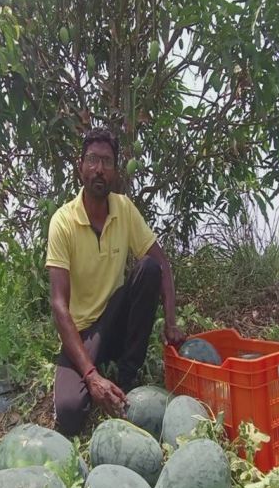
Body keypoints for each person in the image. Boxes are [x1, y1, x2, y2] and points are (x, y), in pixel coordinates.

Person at [46, 128, 186, 435]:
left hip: (115, 319)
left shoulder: (124, 208)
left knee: (148, 268)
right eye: (93, 160)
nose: (99, 169)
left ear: (115, 171)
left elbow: (161, 263)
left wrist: (171, 321)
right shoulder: (63, 221)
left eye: (107, 162)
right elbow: (59, 305)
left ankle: (126, 376)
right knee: (69, 416)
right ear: (80, 166)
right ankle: (97, 374)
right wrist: (91, 376)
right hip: (83, 334)